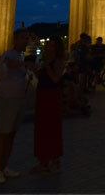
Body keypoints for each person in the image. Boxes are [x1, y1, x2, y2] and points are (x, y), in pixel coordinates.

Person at [0, 28, 35, 184]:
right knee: (3, 134)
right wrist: (24, 63)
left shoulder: (18, 55)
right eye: (24, 38)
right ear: (16, 39)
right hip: (8, 99)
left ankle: (4, 167)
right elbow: (8, 64)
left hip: (18, 99)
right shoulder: (9, 54)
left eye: (27, 38)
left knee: (11, 135)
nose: (27, 41)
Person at [33, 36, 65, 175]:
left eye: (50, 45)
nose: (47, 47)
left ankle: (54, 161)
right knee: (41, 128)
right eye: (46, 45)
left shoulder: (59, 61)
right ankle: (43, 162)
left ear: (56, 48)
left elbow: (56, 79)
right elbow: (41, 77)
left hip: (51, 96)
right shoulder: (45, 60)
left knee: (52, 128)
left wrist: (46, 67)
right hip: (42, 95)